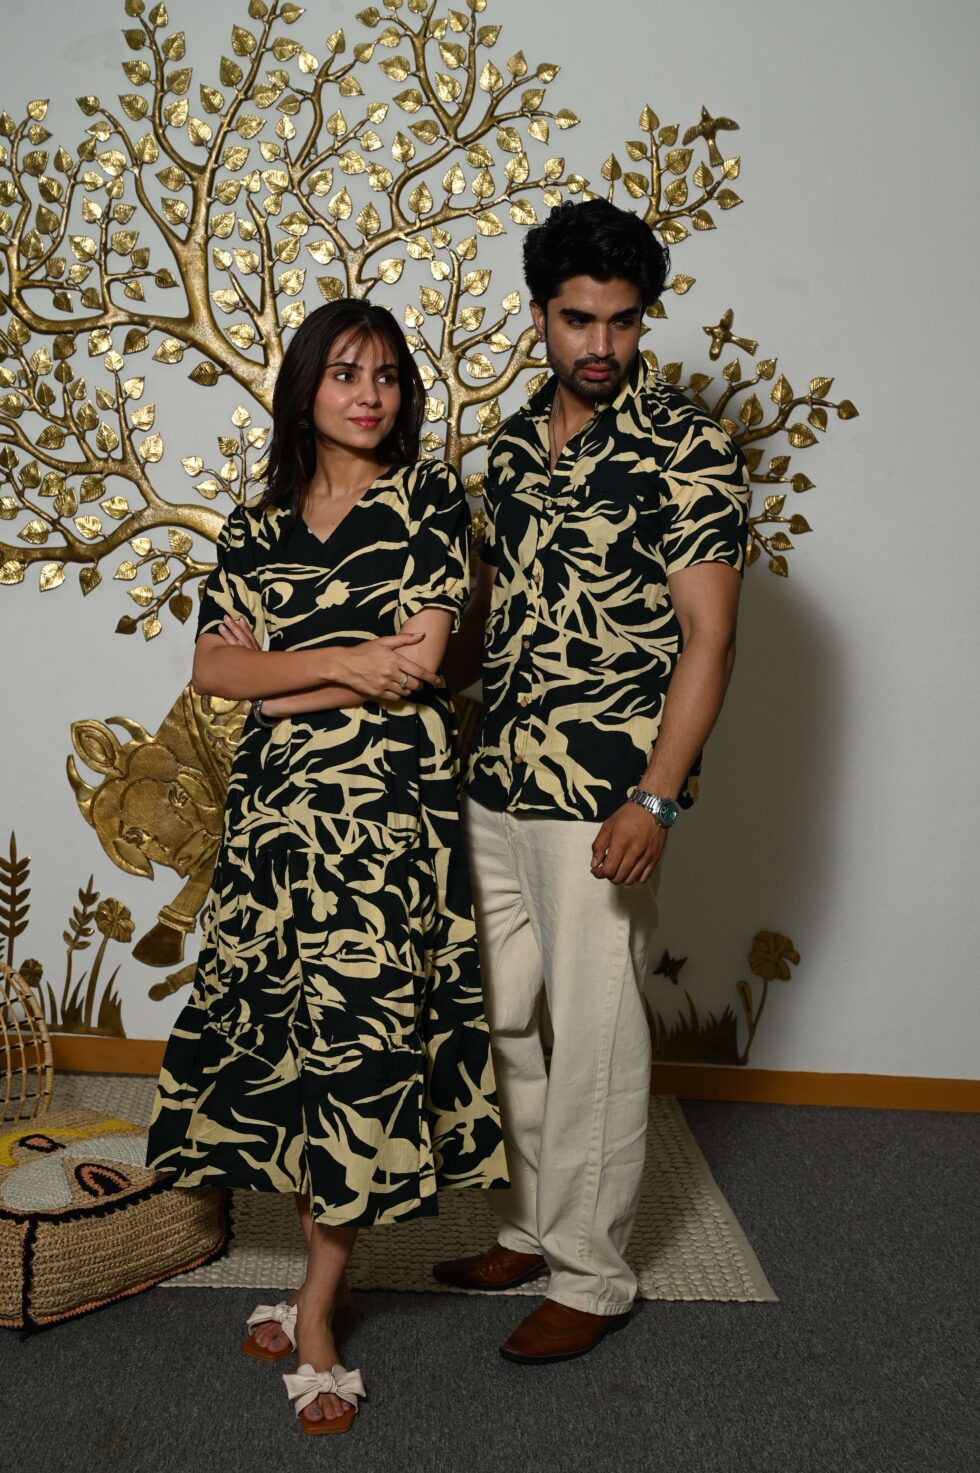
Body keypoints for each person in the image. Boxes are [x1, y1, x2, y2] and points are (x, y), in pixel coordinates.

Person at [146, 299, 507, 1433]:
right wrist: (349, 660)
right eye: (346, 371)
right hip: (273, 827)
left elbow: (424, 662)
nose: (370, 394)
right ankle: (313, 1288)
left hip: (385, 824)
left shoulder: (429, 497)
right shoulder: (254, 528)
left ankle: (316, 1311)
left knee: (360, 1046)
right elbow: (213, 673)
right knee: (289, 1043)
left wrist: (290, 678)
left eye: (388, 375)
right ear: (304, 387)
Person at [433, 200, 749, 1363]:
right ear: (539, 316)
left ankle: (592, 1275)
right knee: (501, 1020)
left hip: (602, 792)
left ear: (642, 318)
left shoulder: (686, 446)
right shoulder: (512, 446)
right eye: (578, 319)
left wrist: (654, 797)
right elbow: (491, 614)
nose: (600, 344)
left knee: (597, 1037)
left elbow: (709, 637)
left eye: (621, 320)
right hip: (495, 774)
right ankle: (529, 1224)